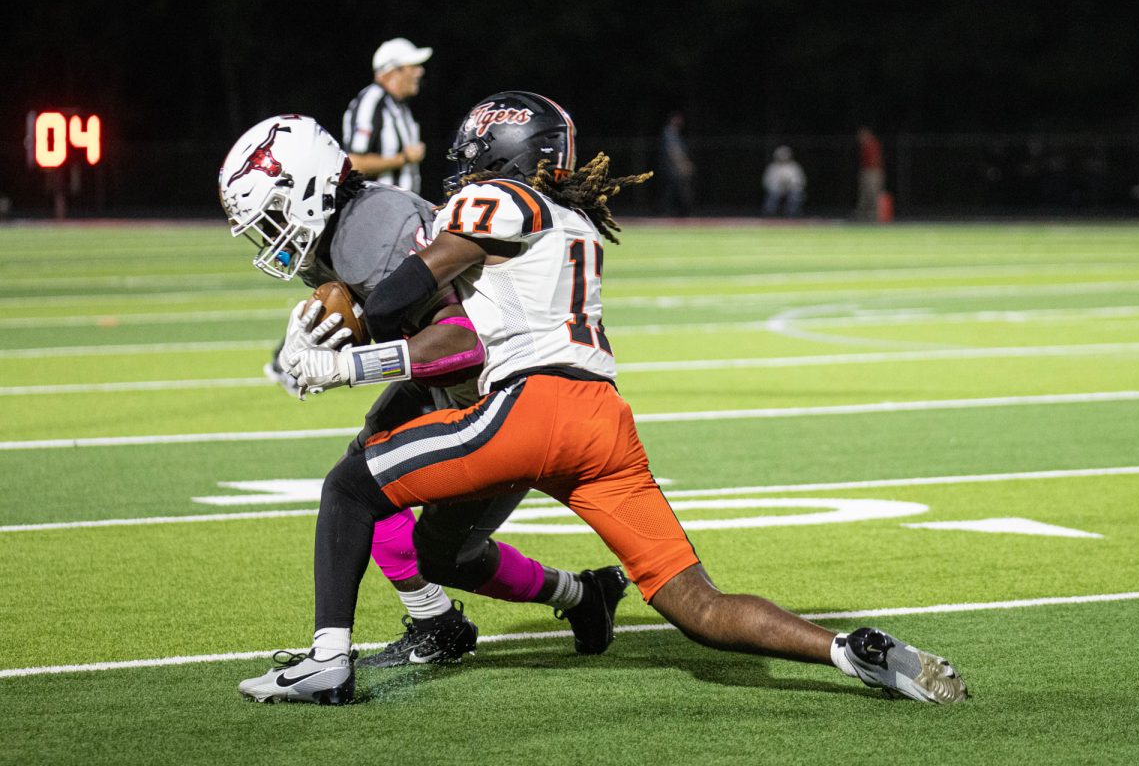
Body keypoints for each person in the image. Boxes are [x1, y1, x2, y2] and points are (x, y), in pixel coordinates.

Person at [243, 93, 968, 706]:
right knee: (700, 605)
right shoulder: (576, 220)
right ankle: (849, 651)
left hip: (530, 408)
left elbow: (414, 280)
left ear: (503, 153)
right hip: (604, 421)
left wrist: (353, 341)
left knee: (348, 486)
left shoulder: (501, 198)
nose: (463, 165)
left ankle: (327, 663)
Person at [218, 115, 629, 687]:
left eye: (272, 215)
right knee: (358, 483)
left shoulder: (373, 228)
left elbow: (463, 345)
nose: (271, 236)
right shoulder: (345, 229)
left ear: (307, 188)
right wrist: (330, 327)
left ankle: (579, 594)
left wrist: (348, 363)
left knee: (426, 539)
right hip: (444, 385)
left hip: (495, 395)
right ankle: (446, 620)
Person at [342, 38, 430, 194]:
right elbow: (354, 164)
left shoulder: (399, 106)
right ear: (394, 71)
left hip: (399, 209)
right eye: (413, 66)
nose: (420, 71)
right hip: (378, 210)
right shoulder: (372, 101)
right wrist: (404, 158)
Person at [657, 111, 694, 216]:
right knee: (674, 191)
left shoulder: (675, 133)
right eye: (678, 119)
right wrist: (683, 165)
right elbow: (673, 151)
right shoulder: (669, 132)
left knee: (672, 191)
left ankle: (673, 212)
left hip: (674, 168)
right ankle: (672, 212)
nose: (681, 121)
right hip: (671, 168)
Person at [761, 145, 806, 217]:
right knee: (772, 196)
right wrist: (777, 186)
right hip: (776, 190)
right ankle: (769, 215)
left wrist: (790, 184)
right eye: (781, 154)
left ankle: (792, 214)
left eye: (785, 154)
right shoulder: (772, 167)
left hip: (790, 190)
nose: (783, 156)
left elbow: (800, 181)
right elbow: (766, 181)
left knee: (796, 195)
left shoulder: (794, 167)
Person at [855, 127, 885, 220]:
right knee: (864, 194)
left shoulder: (873, 143)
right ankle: (863, 213)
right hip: (866, 171)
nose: (860, 138)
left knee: (873, 193)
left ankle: (874, 213)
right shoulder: (864, 146)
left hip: (873, 172)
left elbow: (876, 158)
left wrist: (873, 170)